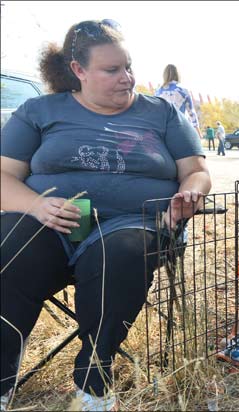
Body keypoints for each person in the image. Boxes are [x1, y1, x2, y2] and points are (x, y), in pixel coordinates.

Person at [0, 19, 211, 411]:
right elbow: (3, 177)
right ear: (78, 71)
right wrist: (36, 205)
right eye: (112, 70)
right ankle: (1, 377)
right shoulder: (39, 111)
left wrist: (190, 194)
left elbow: (196, 171)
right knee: (8, 245)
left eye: (128, 66)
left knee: (122, 254)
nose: (127, 78)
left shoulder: (162, 113)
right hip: (52, 222)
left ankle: (93, 381)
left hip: (132, 224)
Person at [154, 64, 202, 139]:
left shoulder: (158, 92)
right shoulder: (183, 91)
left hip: (163, 131)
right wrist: (198, 131)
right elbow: (191, 112)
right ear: (177, 74)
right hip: (180, 129)